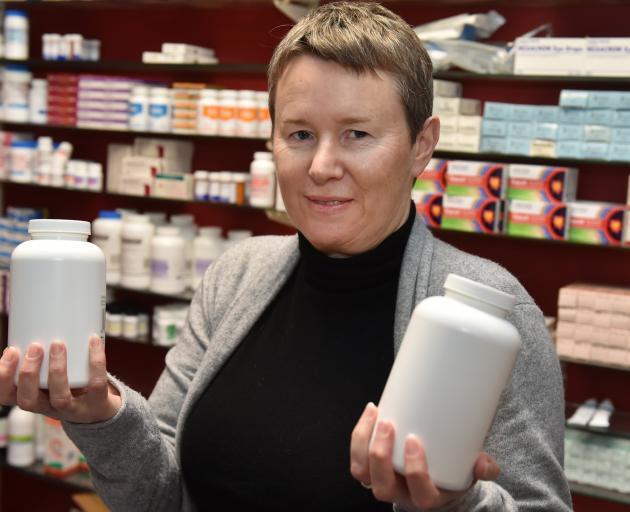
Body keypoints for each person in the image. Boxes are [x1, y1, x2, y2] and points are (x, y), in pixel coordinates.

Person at [0, 2, 572, 511]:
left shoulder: (491, 313)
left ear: (422, 144)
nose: (321, 166)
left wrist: (459, 506)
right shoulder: (236, 275)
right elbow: (160, 494)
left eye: (356, 134)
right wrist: (103, 416)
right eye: (299, 134)